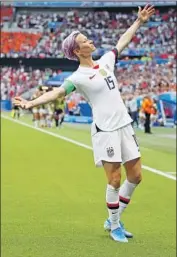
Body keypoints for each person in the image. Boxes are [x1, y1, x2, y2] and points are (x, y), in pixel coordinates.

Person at [14, 5, 155, 243]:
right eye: (85, 40)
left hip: (125, 125)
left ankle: (115, 218)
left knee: (136, 176)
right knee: (114, 180)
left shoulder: (106, 61)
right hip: (105, 130)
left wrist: (139, 22)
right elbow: (57, 93)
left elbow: (122, 41)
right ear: (78, 51)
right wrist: (31, 103)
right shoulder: (77, 77)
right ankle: (114, 226)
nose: (91, 41)